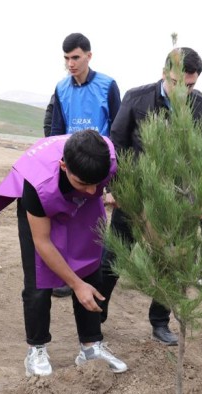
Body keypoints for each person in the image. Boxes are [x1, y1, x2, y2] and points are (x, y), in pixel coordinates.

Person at [0, 130, 127, 377]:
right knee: (38, 282)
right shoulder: (37, 181)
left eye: (97, 183)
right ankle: (37, 348)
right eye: (83, 183)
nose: (91, 190)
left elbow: (103, 186)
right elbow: (43, 243)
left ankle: (90, 347)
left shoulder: (105, 158)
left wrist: (112, 191)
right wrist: (75, 284)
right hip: (43, 202)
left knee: (91, 264)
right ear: (64, 166)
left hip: (83, 208)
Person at [99, 47, 202, 346]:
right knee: (114, 256)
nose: (183, 92)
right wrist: (116, 188)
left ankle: (160, 322)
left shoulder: (201, 106)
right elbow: (118, 144)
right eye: (177, 83)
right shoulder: (137, 99)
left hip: (176, 201)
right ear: (164, 74)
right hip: (134, 197)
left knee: (172, 263)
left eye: (190, 85)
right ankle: (96, 315)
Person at [48, 32, 121, 298]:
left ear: (89, 56)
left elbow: (117, 128)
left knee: (93, 222)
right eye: (67, 58)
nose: (71, 63)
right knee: (66, 221)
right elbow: (56, 130)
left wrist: (114, 180)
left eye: (76, 57)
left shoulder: (107, 85)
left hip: (98, 167)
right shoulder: (61, 88)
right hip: (71, 166)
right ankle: (67, 275)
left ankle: (92, 274)